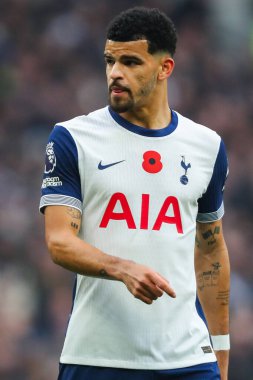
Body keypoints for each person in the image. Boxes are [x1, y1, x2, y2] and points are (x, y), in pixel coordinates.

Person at [40, 7, 230, 380]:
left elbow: (211, 250)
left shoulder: (207, 146)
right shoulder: (72, 139)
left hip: (188, 361)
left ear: (165, 68)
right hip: (99, 358)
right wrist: (122, 268)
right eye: (110, 61)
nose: (114, 73)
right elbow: (59, 240)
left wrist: (221, 350)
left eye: (130, 62)